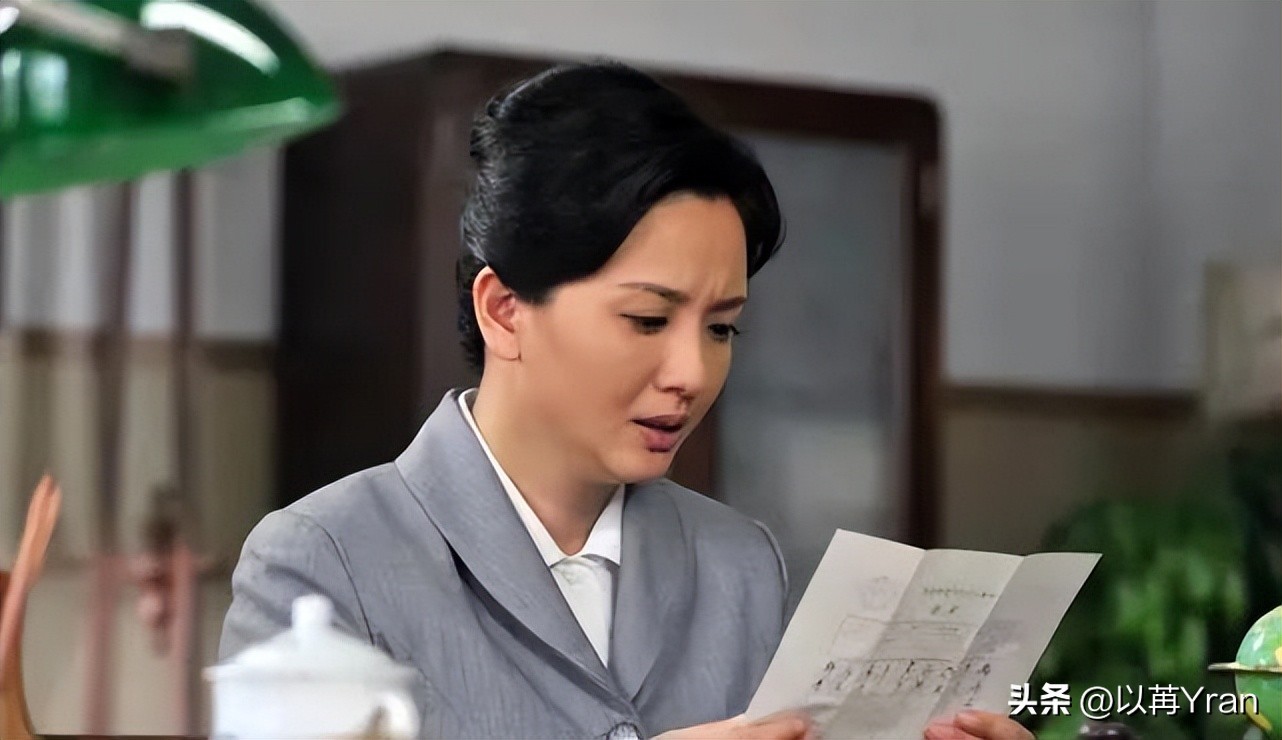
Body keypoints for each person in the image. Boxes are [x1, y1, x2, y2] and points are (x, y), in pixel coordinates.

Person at [219, 60, 1032, 740]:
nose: (692, 372)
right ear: (504, 310)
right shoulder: (326, 560)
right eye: (647, 319)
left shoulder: (738, 564)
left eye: (722, 328)